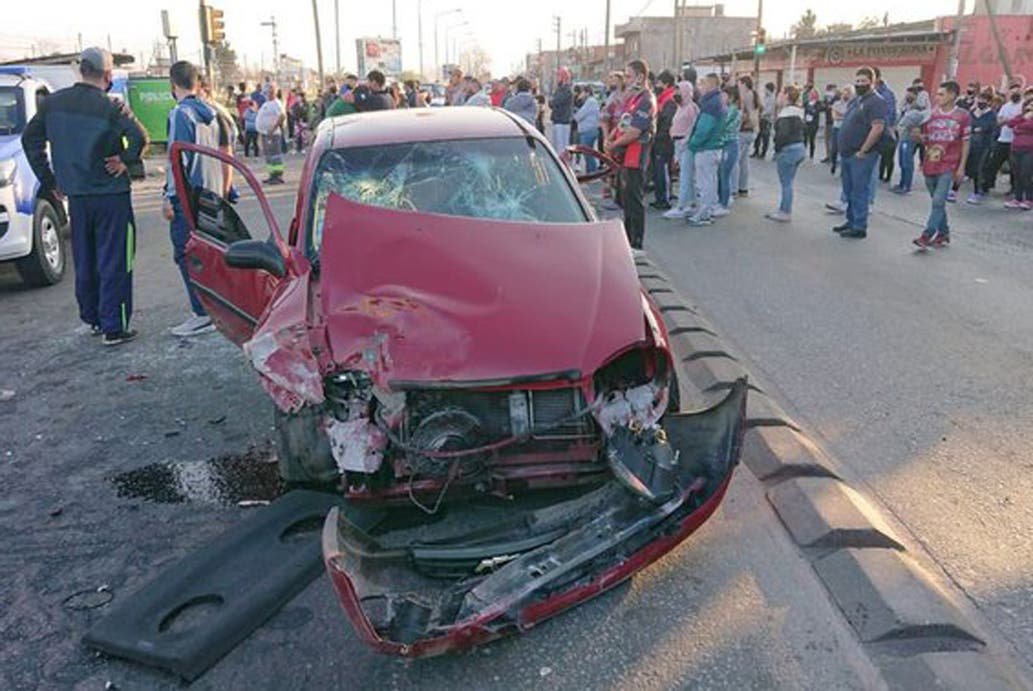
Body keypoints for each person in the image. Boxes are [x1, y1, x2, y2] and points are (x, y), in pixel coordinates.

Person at [21, 47, 147, 346]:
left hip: (76, 196)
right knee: (115, 259)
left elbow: (30, 140)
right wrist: (124, 160)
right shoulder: (111, 106)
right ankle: (114, 326)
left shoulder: (52, 103)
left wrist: (50, 180)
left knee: (86, 259)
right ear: (107, 74)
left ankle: (93, 318)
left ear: (81, 70)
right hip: (111, 195)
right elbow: (139, 137)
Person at [162, 60, 224, 337]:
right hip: (212, 192)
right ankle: (216, 308)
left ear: (173, 83)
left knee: (186, 254)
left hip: (189, 198)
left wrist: (169, 196)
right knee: (211, 254)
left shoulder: (180, 114)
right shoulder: (212, 113)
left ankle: (202, 313)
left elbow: (178, 159)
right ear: (197, 83)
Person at [604, 59, 656, 249]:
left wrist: (613, 144)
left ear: (640, 77)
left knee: (634, 202)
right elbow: (622, 123)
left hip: (636, 157)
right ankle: (627, 240)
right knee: (626, 202)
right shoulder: (633, 99)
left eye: (628, 76)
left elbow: (634, 131)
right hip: (625, 157)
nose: (625, 80)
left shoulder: (646, 100)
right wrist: (610, 138)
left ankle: (636, 244)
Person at [912, 81, 970, 249]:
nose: (937, 97)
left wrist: (961, 166)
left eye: (941, 94)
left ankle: (927, 234)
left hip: (949, 163)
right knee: (937, 201)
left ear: (952, 95)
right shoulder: (930, 114)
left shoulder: (963, 116)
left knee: (938, 200)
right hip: (930, 162)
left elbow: (966, 142)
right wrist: (918, 137)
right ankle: (944, 232)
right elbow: (924, 138)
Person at [833, 66, 887, 239]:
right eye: (857, 81)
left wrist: (863, 150)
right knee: (849, 189)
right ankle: (851, 221)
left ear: (872, 82)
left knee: (859, 190)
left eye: (863, 81)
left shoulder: (876, 101)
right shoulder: (856, 100)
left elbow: (877, 128)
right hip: (848, 153)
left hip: (861, 154)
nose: (859, 84)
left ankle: (859, 226)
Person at [685, 73, 726, 226]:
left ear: (711, 84)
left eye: (703, 83)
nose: (701, 87)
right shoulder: (717, 101)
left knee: (705, 182)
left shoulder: (711, 103)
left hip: (706, 147)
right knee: (710, 181)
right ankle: (708, 210)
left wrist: (692, 143)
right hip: (713, 146)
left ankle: (704, 214)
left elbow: (704, 128)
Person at [765, 85, 806, 223]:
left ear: (786, 96)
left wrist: (777, 150)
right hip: (799, 147)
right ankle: (784, 208)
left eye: (780, 94)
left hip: (788, 150)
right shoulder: (799, 112)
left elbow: (782, 135)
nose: (778, 97)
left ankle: (785, 211)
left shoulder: (785, 114)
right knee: (789, 182)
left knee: (786, 183)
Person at [664, 80, 699, 219]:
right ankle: (691, 203)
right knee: (685, 175)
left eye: (678, 90)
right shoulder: (680, 107)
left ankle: (682, 206)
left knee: (685, 176)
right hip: (678, 143)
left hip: (686, 145)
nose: (675, 93)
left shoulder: (691, 107)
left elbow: (694, 126)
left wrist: (686, 140)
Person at [982, 83, 1023, 196]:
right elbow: (999, 122)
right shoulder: (1005, 106)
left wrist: (1009, 121)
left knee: (1015, 167)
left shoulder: (1023, 106)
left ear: (1020, 92)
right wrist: (1009, 121)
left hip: (1016, 141)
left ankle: (1014, 189)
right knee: (993, 163)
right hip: (1003, 139)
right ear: (1009, 93)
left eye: (1017, 91)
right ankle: (986, 185)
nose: (1015, 94)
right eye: (1013, 92)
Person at [650, 70, 678, 209]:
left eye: (659, 83)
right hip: (661, 139)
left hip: (663, 140)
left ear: (666, 84)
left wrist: (657, 136)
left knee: (661, 170)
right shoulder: (662, 98)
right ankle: (661, 197)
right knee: (659, 170)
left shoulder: (669, 100)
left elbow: (667, 122)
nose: (657, 85)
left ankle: (663, 199)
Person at [892, 87, 927, 194]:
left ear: (915, 96)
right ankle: (901, 183)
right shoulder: (906, 108)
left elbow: (903, 123)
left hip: (908, 140)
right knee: (902, 162)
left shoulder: (917, 110)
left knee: (907, 163)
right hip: (903, 138)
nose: (907, 96)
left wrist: (900, 125)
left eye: (910, 94)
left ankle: (906, 186)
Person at [966, 90, 998, 204]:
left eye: (984, 100)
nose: (981, 101)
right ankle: (954, 189)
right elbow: (969, 124)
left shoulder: (991, 114)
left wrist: (978, 129)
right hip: (971, 143)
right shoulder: (973, 112)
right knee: (967, 166)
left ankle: (977, 192)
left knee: (979, 169)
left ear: (989, 102)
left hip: (984, 145)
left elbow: (988, 127)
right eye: (979, 99)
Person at [715, 86, 741, 216]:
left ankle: (724, 204)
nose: (721, 98)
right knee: (722, 174)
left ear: (730, 97)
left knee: (724, 175)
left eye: (724, 95)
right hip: (724, 144)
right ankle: (722, 200)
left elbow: (723, 125)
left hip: (730, 144)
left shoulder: (732, 110)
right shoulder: (727, 109)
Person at [1003, 98, 1033, 210]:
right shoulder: (1021, 116)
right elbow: (1010, 124)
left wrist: (1019, 128)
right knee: (1017, 174)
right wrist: (1023, 118)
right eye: (1029, 104)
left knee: (1026, 174)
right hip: (1015, 148)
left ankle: (1029, 199)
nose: (1031, 107)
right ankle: (1017, 198)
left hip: (1029, 150)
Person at [255, 86, 286, 184]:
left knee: (275, 156)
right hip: (265, 134)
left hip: (273, 134)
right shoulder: (266, 103)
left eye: (270, 92)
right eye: (267, 92)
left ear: (274, 93)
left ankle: (278, 176)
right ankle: (271, 174)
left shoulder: (276, 103)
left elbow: (282, 116)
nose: (268, 94)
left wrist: (273, 129)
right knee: (268, 156)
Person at [734, 75, 759, 197]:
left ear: (744, 84)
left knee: (736, 161)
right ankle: (743, 187)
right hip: (751, 131)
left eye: (739, 83)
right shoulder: (754, 94)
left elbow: (745, 113)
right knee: (744, 161)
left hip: (743, 130)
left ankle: (734, 188)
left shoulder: (746, 96)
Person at [573, 86, 601, 174]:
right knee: (588, 152)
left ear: (587, 93)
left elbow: (578, 116)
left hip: (588, 131)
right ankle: (590, 171)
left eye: (582, 92)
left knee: (587, 153)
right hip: (589, 130)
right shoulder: (590, 102)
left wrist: (575, 112)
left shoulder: (590, 102)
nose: (581, 94)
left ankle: (593, 171)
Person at [549, 68, 574, 154]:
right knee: (556, 148)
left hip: (563, 122)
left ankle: (563, 162)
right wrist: (552, 101)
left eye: (558, 76)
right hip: (557, 121)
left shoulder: (567, 90)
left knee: (561, 149)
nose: (556, 79)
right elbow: (551, 103)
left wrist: (552, 101)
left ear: (563, 77)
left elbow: (555, 102)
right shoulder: (559, 89)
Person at [830, 85, 853, 175]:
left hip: (847, 129)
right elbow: (834, 117)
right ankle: (833, 164)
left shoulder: (852, 104)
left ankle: (843, 168)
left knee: (844, 149)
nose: (846, 94)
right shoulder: (837, 104)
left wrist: (841, 115)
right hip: (837, 127)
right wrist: (844, 116)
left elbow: (851, 117)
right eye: (845, 91)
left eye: (849, 92)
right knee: (834, 148)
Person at [753, 82, 776, 159]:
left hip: (767, 120)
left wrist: (762, 113)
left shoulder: (772, 98)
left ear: (769, 89)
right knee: (758, 135)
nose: (764, 90)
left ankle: (763, 152)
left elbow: (769, 110)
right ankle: (756, 150)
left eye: (765, 88)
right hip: (761, 118)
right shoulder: (764, 97)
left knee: (765, 136)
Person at [820, 84, 837, 162]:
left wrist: (830, 106)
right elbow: (822, 107)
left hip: (834, 121)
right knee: (827, 139)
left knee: (833, 140)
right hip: (827, 121)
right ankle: (828, 155)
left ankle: (833, 156)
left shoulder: (837, 98)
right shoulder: (826, 98)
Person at [803, 87, 820, 159]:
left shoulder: (818, 103)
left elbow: (816, 112)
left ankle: (811, 154)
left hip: (814, 123)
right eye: (810, 94)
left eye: (813, 94)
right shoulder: (807, 103)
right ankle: (803, 153)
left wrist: (811, 110)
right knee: (804, 138)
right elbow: (805, 111)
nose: (811, 95)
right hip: (806, 122)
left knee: (812, 139)